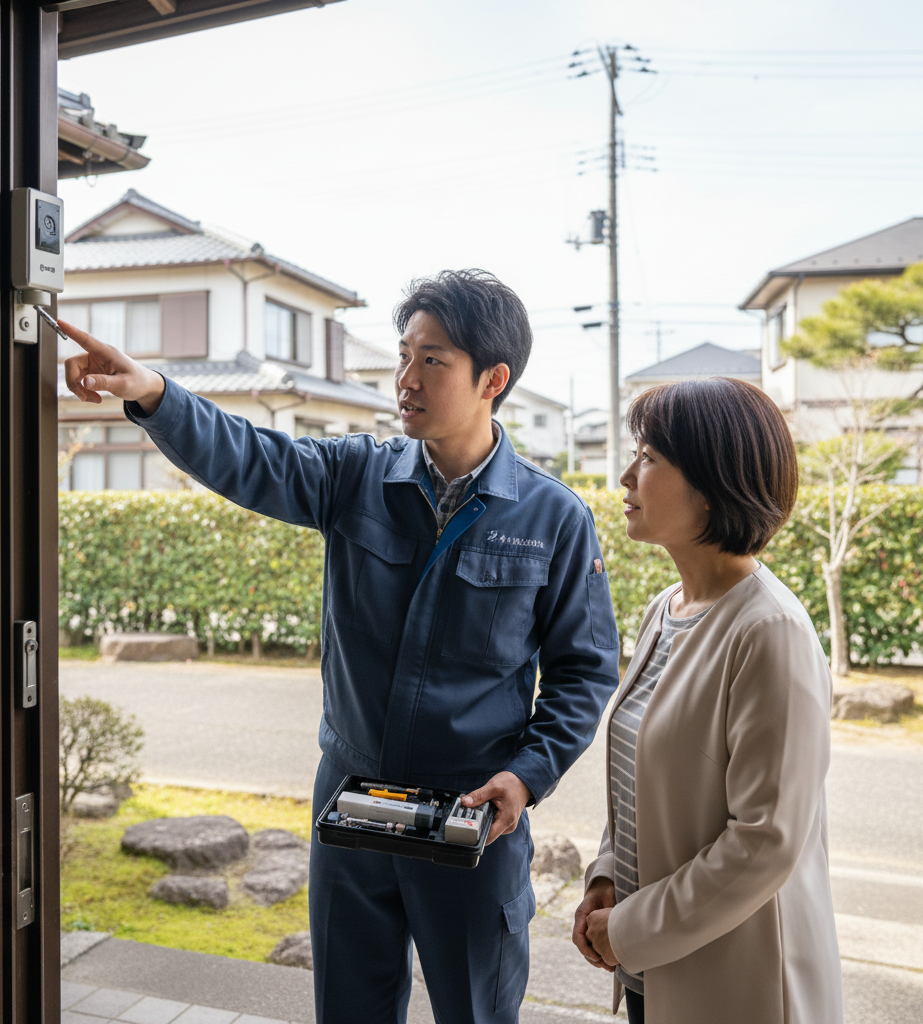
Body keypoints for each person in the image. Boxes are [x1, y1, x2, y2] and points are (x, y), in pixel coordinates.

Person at [64, 268, 621, 1024]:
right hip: (354, 801)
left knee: (477, 1011)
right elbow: (251, 457)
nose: (406, 380)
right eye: (403, 356)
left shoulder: (553, 517)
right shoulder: (355, 475)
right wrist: (154, 393)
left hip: (472, 815)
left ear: (493, 378)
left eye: (433, 361)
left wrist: (526, 777)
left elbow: (583, 673)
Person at [571, 377, 842, 1024]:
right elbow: (646, 771)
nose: (626, 477)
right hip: (654, 967)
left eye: (650, 458)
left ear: (714, 481)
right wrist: (608, 871)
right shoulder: (667, 610)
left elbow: (764, 840)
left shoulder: (768, 631)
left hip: (739, 982)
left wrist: (631, 927)